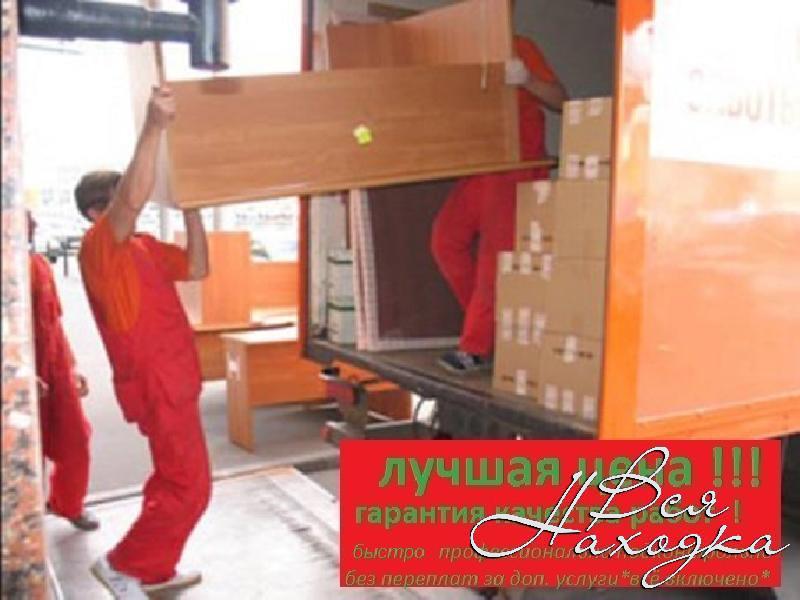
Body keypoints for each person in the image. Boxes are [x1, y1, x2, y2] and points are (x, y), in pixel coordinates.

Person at [76, 86, 211, 599]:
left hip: (176, 378)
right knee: (190, 487)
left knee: (171, 481)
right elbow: (132, 198)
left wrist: (194, 209)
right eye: (116, 203)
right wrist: (154, 126)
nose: (132, 210)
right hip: (156, 384)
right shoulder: (99, 249)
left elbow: (197, 267)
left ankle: (154, 568)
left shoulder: (145, 247)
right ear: (97, 212)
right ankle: (123, 564)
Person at [432, 8, 568, 374]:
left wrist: (526, 79)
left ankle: (475, 347)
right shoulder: (465, 57)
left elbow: (560, 99)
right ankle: (494, 330)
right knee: (445, 241)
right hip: (481, 166)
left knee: (494, 262)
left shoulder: (520, 47)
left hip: (516, 166)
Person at [28, 211, 98, 531]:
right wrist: (19, 374)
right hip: (19, 373)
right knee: (25, 451)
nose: (34, 224)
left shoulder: (39, 264)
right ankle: (25, 520)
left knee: (75, 439)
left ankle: (67, 503)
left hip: (54, 367)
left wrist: (71, 365)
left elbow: (54, 323)